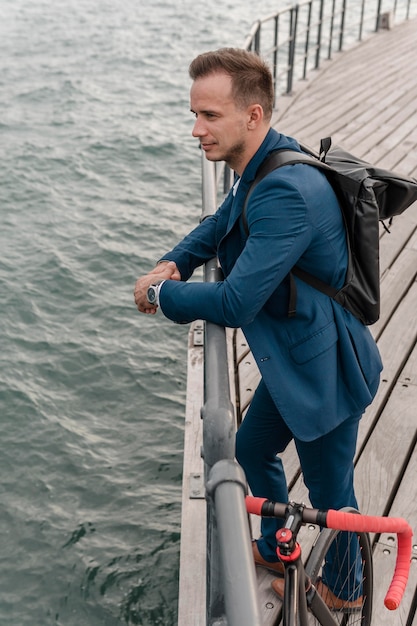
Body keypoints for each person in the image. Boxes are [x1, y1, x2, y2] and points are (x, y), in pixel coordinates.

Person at [134, 48, 382, 606]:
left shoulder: (285, 190)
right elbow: (221, 222)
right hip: (295, 357)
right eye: (194, 113)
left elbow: (238, 301)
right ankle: (274, 543)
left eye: (210, 115)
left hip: (324, 368)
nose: (196, 129)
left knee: (330, 490)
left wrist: (159, 294)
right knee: (250, 445)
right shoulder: (262, 161)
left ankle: (346, 587)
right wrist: (175, 261)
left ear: (252, 114)